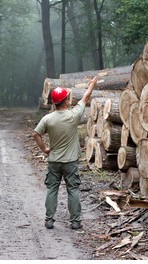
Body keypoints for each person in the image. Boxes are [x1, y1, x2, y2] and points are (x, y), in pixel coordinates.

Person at [33, 76, 98, 230]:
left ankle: (49, 220)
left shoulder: (47, 119)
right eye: (68, 99)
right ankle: (75, 222)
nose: (70, 100)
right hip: (70, 161)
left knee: (52, 189)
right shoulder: (73, 115)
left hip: (54, 160)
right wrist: (92, 84)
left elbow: (36, 134)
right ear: (65, 102)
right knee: (73, 190)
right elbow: (86, 96)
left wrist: (44, 149)